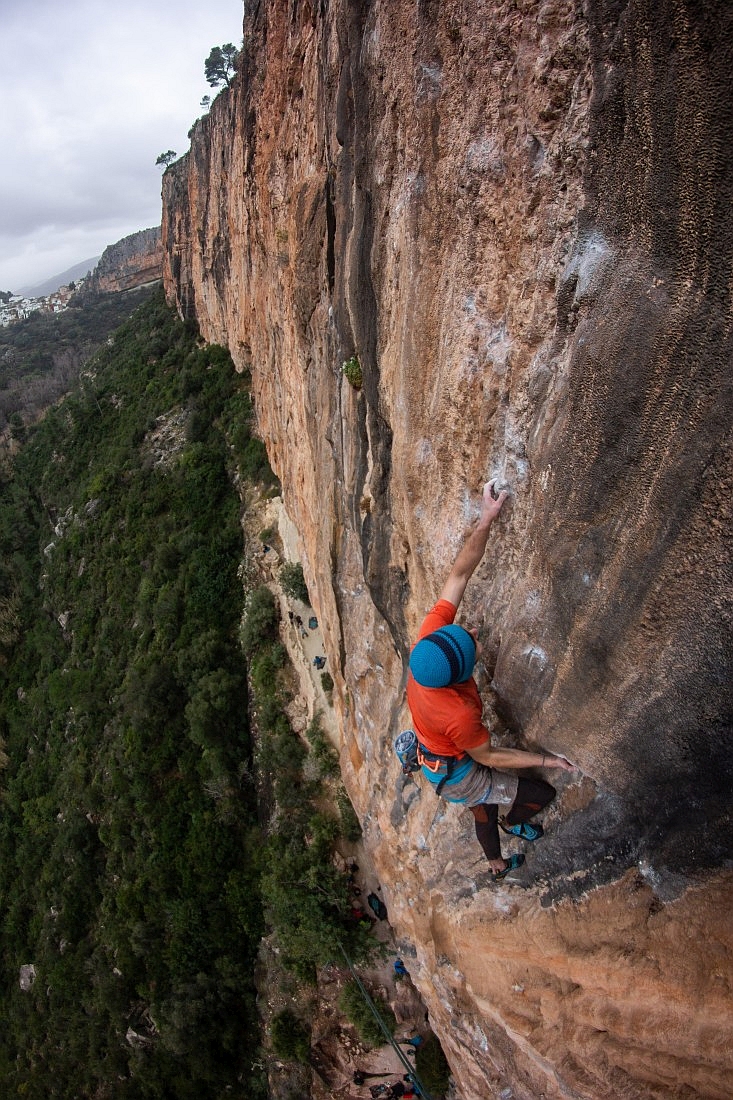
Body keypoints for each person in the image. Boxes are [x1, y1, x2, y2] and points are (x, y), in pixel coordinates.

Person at [406, 480, 575, 879]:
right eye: (473, 645)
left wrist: (486, 519)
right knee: (537, 794)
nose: (476, 635)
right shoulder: (459, 713)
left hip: (436, 754)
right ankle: (512, 825)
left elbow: (459, 575)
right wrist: (549, 761)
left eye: (466, 633)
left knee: (482, 805)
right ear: (460, 676)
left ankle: (496, 864)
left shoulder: (429, 646)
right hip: (457, 772)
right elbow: (490, 757)